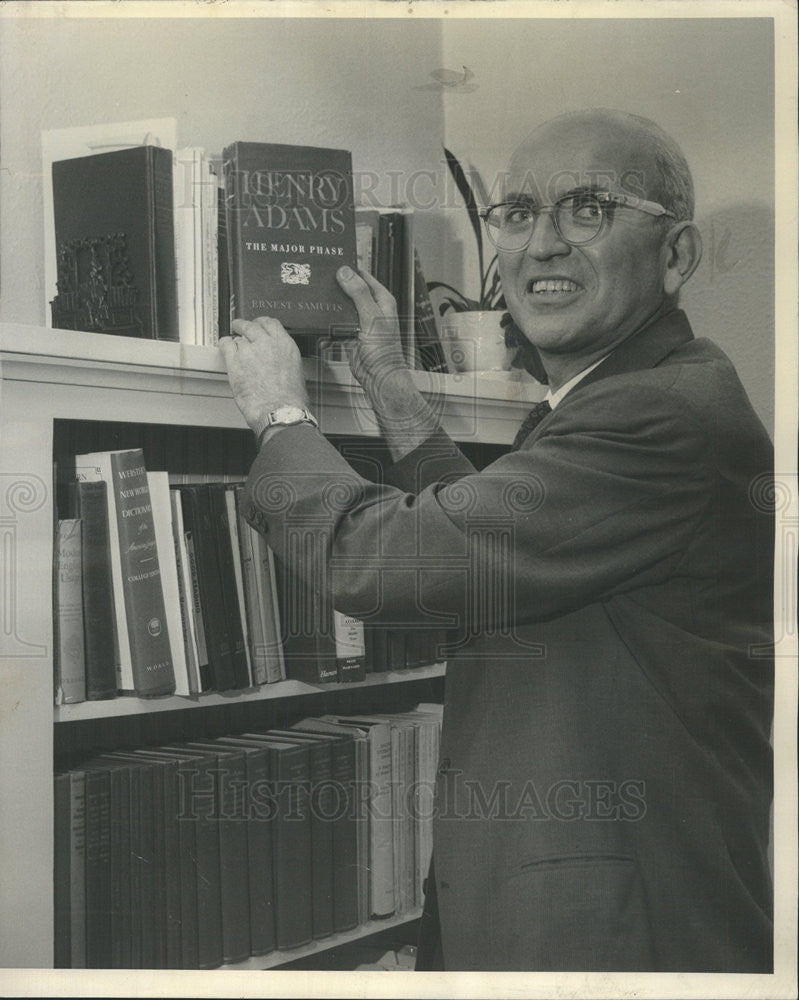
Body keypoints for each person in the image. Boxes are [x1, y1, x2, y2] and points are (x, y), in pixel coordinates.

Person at [220, 108, 774, 972]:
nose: (540, 245)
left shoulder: (657, 415)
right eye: (517, 214)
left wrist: (279, 415)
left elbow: (388, 561)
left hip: (624, 942)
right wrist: (392, 389)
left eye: (586, 208)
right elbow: (486, 537)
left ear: (676, 256)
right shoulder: (623, 397)